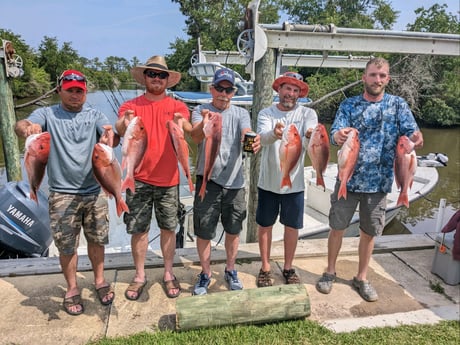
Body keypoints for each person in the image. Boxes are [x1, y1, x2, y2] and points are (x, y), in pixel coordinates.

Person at [315, 57, 424, 302]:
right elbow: (335, 133)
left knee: (369, 233)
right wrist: (338, 135)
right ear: (364, 77)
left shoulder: (398, 105)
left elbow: (412, 134)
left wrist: (415, 138)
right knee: (337, 228)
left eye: (382, 75)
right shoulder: (349, 105)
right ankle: (330, 272)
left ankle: (361, 277)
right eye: (373, 75)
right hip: (348, 180)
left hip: (380, 183)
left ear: (388, 79)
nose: (377, 80)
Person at [15, 69, 120, 316]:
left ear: (85, 93)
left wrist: (110, 136)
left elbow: (111, 139)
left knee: (97, 240)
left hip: (94, 190)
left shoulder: (94, 114)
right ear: (60, 89)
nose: (75, 95)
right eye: (70, 90)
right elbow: (20, 125)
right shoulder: (47, 113)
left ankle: (100, 281)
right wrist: (29, 127)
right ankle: (72, 288)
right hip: (62, 193)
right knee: (66, 245)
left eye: (79, 91)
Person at [115, 56, 190, 300]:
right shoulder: (131, 106)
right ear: (144, 77)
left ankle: (168, 273)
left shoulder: (178, 106)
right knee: (139, 229)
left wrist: (184, 125)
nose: (156, 78)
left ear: (168, 80)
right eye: (152, 74)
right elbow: (119, 128)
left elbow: (187, 128)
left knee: (169, 228)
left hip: (168, 180)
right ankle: (139, 275)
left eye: (161, 75)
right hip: (137, 179)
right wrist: (124, 123)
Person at [190, 68, 260, 295]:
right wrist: (204, 123)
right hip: (207, 181)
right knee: (204, 231)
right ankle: (205, 272)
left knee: (233, 229)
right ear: (211, 89)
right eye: (219, 88)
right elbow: (195, 136)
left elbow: (246, 132)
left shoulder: (241, 113)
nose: (223, 93)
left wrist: (251, 140)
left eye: (228, 89)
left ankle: (230, 269)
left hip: (235, 183)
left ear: (233, 92)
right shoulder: (200, 110)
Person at [256, 72, 318, 287]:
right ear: (279, 90)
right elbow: (262, 139)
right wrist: (274, 133)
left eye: (295, 90)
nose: (290, 94)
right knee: (265, 225)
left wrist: (311, 134)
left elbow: (312, 134)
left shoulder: (308, 113)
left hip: (295, 184)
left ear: (299, 94)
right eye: (287, 88)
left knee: (292, 227)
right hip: (268, 182)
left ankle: (288, 267)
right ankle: (265, 267)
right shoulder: (266, 113)